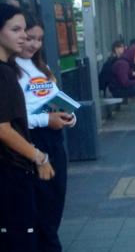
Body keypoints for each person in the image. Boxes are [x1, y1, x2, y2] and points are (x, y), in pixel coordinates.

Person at [17, 15, 76, 252]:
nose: (34, 44)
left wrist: (70, 116)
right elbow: (10, 121)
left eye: (39, 39)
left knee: (55, 205)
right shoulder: (10, 72)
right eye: (29, 38)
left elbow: (56, 99)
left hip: (54, 141)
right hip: (32, 142)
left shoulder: (43, 67)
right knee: (42, 213)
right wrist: (45, 119)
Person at [0, 4, 54, 252]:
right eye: (16, 29)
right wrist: (39, 157)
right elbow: (3, 128)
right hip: (10, 170)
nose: (24, 35)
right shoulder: (4, 74)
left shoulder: (8, 70)